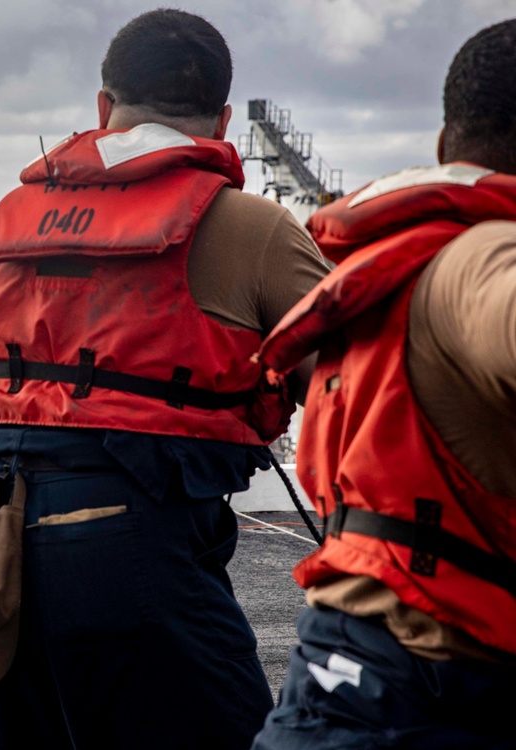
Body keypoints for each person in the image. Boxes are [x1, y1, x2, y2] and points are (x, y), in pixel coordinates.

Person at [0, 10, 329, 749]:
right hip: (135, 545)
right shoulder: (256, 228)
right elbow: (349, 383)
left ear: (102, 106)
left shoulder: (10, 217)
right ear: (220, 119)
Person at [252, 20, 516, 749]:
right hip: (436, 687)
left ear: (442, 146)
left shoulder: (400, 263)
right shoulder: (485, 258)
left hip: (343, 663)